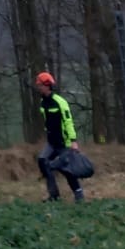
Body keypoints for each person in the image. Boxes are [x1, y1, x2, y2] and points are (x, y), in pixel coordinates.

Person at [35, 70, 84, 203]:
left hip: (64, 142)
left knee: (67, 169)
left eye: (40, 85)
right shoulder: (43, 103)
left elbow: (68, 122)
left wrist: (73, 141)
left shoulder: (60, 103)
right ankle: (54, 195)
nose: (38, 87)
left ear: (47, 86)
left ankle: (79, 194)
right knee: (42, 161)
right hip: (51, 142)